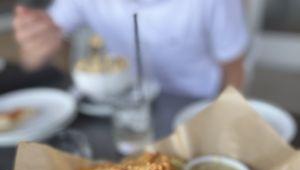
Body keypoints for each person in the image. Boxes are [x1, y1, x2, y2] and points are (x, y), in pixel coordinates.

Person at [13, 0, 249, 98]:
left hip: (194, 101)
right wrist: (36, 43)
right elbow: (31, 61)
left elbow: (233, 66)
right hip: (124, 99)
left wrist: (221, 114)